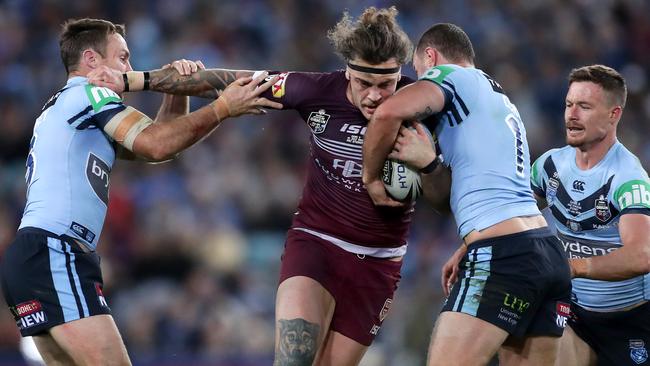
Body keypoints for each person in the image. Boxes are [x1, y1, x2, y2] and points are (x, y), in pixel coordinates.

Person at [89, 6, 414, 366]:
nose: (373, 96)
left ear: (400, 75)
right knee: (292, 361)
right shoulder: (317, 90)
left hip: (380, 261)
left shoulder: (424, 104)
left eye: (386, 84)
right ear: (347, 73)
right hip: (316, 243)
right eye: (363, 84)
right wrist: (137, 81)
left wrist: (430, 165)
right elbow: (233, 81)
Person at [0, 18, 281, 366]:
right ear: (91, 60)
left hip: (36, 256)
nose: (129, 69)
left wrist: (175, 90)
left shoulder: (63, 106)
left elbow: (161, 142)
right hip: (55, 252)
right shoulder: (90, 92)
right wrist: (224, 108)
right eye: (122, 58)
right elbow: (157, 145)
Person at [361, 23, 572, 365]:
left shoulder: (451, 77)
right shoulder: (498, 100)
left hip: (503, 256)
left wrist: (370, 176)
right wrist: (430, 164)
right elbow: (453, 202)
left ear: (431, 56)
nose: (421, 80)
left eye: (419, 72)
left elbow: (389, 112)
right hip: (546, 253)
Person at [530, 65, 650, 366]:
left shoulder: (628, 178)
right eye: (569, 104)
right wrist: (466, 248)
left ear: (614, 115)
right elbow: (511, 214)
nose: (572, 114)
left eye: (584, 106)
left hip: (629, 321)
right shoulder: (549, 166)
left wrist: (574, 267)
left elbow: (641, 255)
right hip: (572, 314)